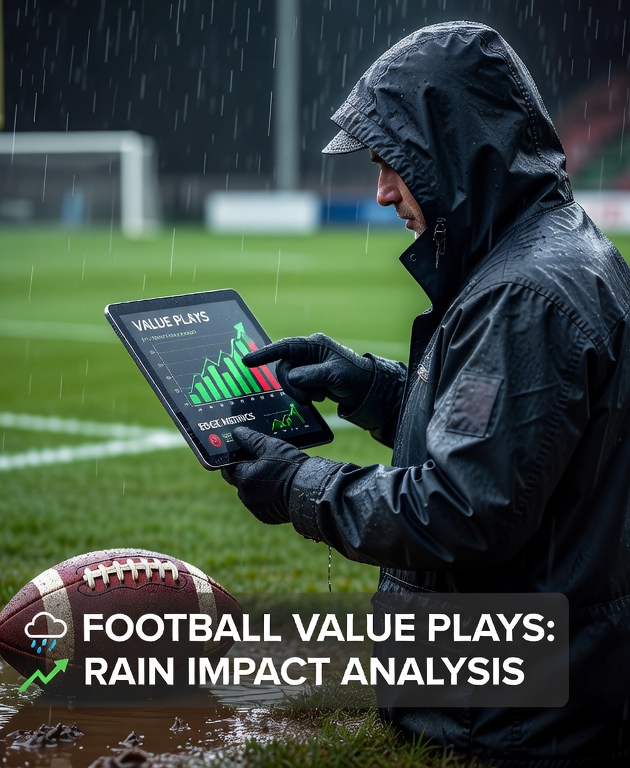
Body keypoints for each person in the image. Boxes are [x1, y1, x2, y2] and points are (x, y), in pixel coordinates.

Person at [218, 22, 630, 763]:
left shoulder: (523, 292)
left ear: (453, 152)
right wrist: (373, 388)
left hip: (506, 721)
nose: (380, 193)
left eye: (392, 165)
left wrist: (298, 486)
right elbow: (522, 447)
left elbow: (464, 510)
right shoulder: (552, 250)